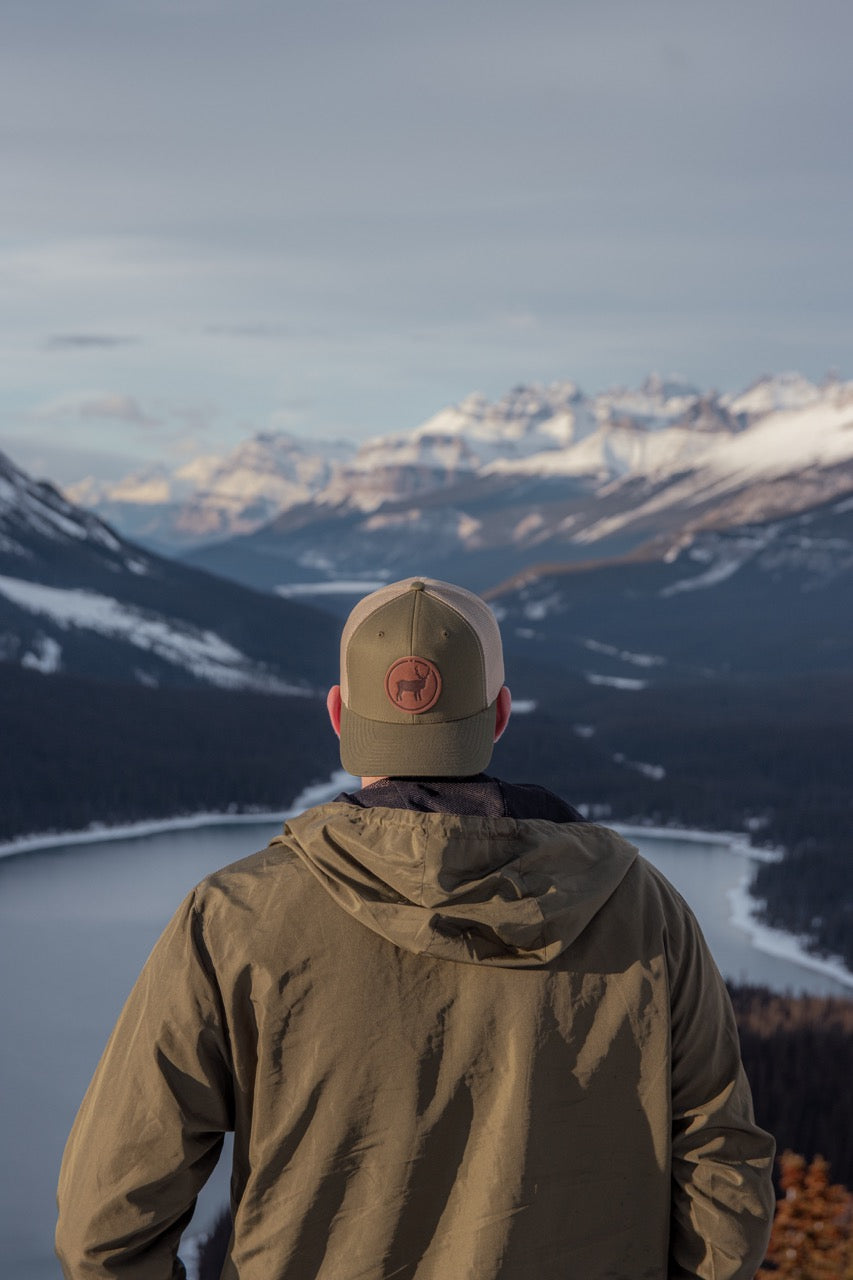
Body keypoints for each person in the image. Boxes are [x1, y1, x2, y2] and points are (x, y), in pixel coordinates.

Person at [56, 576, 775, 1279]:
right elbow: (724, 1179)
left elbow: (105, 1226)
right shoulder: (641, 908)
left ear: (338, 714)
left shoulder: (235, 918)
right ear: (498, 713)